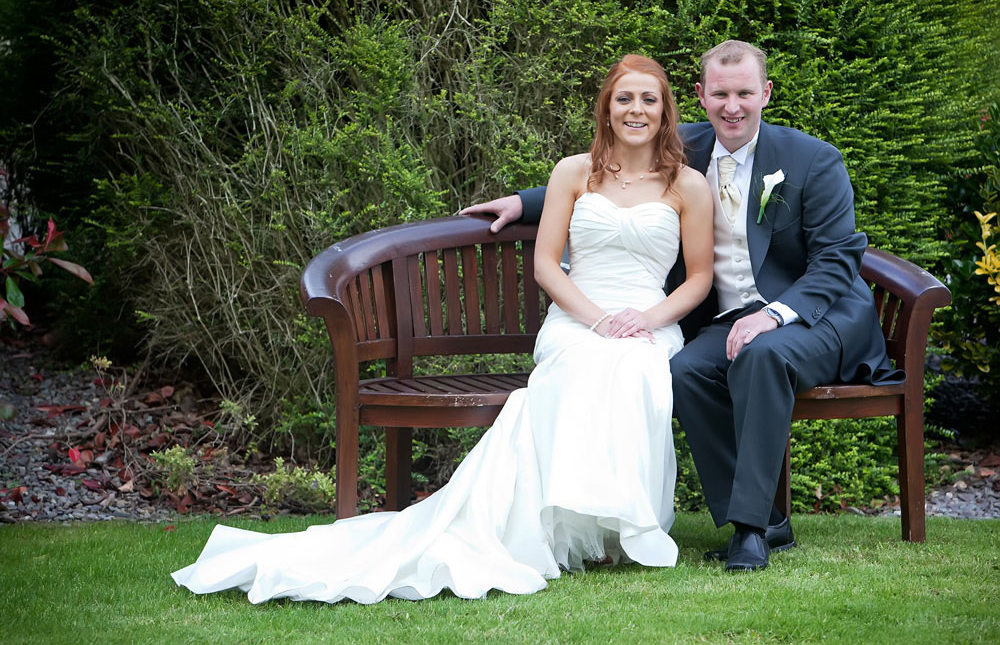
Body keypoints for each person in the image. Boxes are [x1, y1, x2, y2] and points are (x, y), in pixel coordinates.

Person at [171, 55, 714, 603]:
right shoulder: (574, 172)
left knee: (635, 367)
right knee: (584, 362)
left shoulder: (687, 185)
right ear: (606, 108)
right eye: (624, 99)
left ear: (666, 110)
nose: (636, 110)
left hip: (649, 319)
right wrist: (597, 319)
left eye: (649, 100)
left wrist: (642, 320)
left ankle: (618, 527)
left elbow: (697, 279)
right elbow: (546, 265)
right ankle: (562, 527)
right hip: (577, 318)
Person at [463, 40, 902, 572]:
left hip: (815, 315)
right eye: (720, 94)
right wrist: (523, 202)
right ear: (700, 97)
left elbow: (836, 261)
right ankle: (764, 517)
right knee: (685, 370)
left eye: (744, 93)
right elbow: (611, 173)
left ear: (765, 93)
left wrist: (774, 315)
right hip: (733, 318)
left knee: (762, 356)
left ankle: (750, 531)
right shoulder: (685, 150)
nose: (732, 106)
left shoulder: (812, 159)